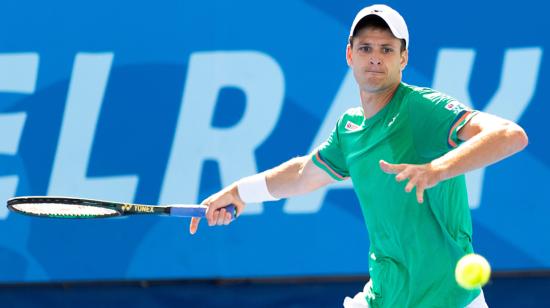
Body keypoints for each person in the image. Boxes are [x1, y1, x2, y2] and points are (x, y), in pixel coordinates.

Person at [188, 4, 528, 308]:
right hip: (385, 295)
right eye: (365, 47)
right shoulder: (349, 128)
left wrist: (436, 169)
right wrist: (239, 191)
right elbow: (305, 173)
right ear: (349, 54)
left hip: (449, 300)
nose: (375, 57)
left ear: (403, 58)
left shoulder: (422, 108)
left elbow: (510, 135)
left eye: (386, 49)